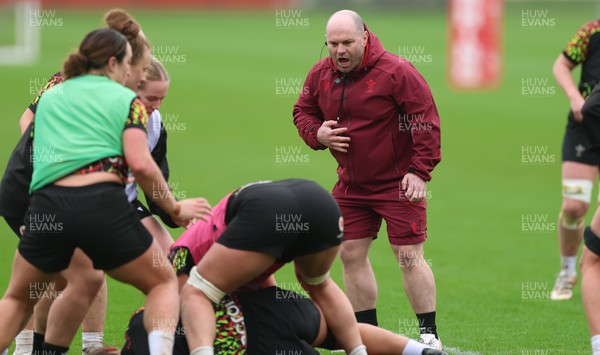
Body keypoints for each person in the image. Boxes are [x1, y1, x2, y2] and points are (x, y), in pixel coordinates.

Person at [0, 28, 209, 354]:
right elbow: (141, 167)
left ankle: (50, 349)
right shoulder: (124, 101)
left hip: (45, 200)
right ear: (115, 64)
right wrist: (176, 208)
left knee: (39, 289)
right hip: (78, 201)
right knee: (160, 280)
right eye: (133, 66)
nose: (133, 72)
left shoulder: (59, 93)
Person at [293, 9, 442, 349]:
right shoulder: (321, 73)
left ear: (364, 37)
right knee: (348, 252)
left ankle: (429, 333)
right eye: (332, 44)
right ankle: (367, 333)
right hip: (351, 183)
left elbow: (425, 121)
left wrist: (420, 171)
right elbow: (302, 111)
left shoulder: (397, 71)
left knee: (407, 255)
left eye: (347, 42)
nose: (339, 51)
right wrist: (317, 133)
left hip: (398, 182)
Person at [178, 179, 368, 355]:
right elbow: (266, 296)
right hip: (317, 200)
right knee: (320, 284)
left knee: (196, 292)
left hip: (268, 213)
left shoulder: (179, 260)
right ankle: (360, 352)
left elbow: (188, 301)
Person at [550, 19, 600, 301]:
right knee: (574, 205)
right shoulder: (592, 31)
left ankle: (592, 266)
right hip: (584, 125)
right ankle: (567, 269)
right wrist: (573, 97)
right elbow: (561, 65)